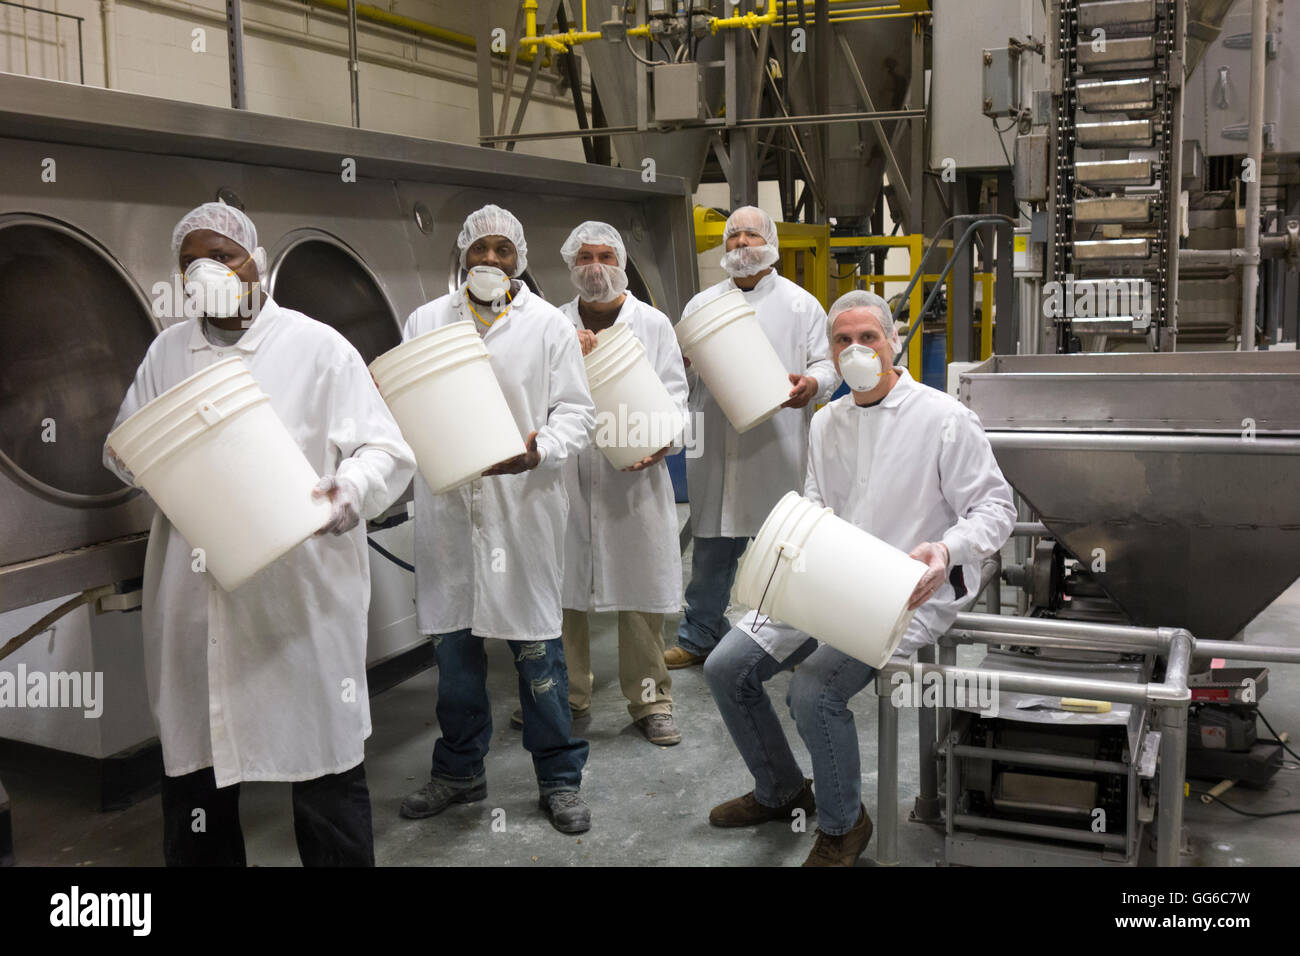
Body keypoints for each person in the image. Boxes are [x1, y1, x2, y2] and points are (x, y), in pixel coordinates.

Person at [103, 201, 417, 867]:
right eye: (192, 263)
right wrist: (130, 457)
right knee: (197, 789)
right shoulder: (168, 351)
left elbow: (386, 451)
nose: (208, 272)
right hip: (195, 604)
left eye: (224, 256)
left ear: (258, 263)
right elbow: (125, 443)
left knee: (325, 777)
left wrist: (349, 491)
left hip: (298, 601)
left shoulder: (317, 347)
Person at [702, 289, 1016, 866]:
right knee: (726, 668)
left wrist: (947, 549)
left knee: (814, 690)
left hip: (904, 591)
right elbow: (819, 504)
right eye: (841, 341)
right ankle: (781, 789)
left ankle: (845, 825)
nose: (855, 350)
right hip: (826, 577)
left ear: (894, 341)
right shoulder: (827, 422)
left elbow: (996, 510)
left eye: (867, 337)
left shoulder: (943, 418)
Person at [399, 205, 597, 834]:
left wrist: (539, 450)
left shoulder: (546, 326)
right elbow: (407, 401)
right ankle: (459, 772)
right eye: (478, 250)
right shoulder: (426, 320)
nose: (488, 261)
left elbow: (576, 412)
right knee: (455, 657)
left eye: (501, 252)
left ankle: (560, 779)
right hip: (450, 512)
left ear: (520, 260)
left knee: (539, 656)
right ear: (462, 254)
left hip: (523, 508)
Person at [667, 206, 839, 669]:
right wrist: (681, 367)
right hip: (715, 437)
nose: (741, 244)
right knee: (710, 549)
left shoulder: (800, 304)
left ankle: (788, 640)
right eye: (733, 237)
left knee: (781, 549)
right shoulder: (700, 306)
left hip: (775, 442)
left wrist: (812, 386)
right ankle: (699, 634)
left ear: (771, 244)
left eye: (751, 235)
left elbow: (826, 364)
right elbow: (677, 370)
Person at [549, 221, 689, 746]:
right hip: (567, 473)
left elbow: (676, 397)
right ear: (570, 265)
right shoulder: (550, 325)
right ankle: (566, 696)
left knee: (640, 592)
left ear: (622, 263)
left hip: (634, 479)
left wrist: (661, 445)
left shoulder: (652, 325)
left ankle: (650, 699)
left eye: (606, 256)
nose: (595, 267)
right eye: (584, 256)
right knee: (564, 593)